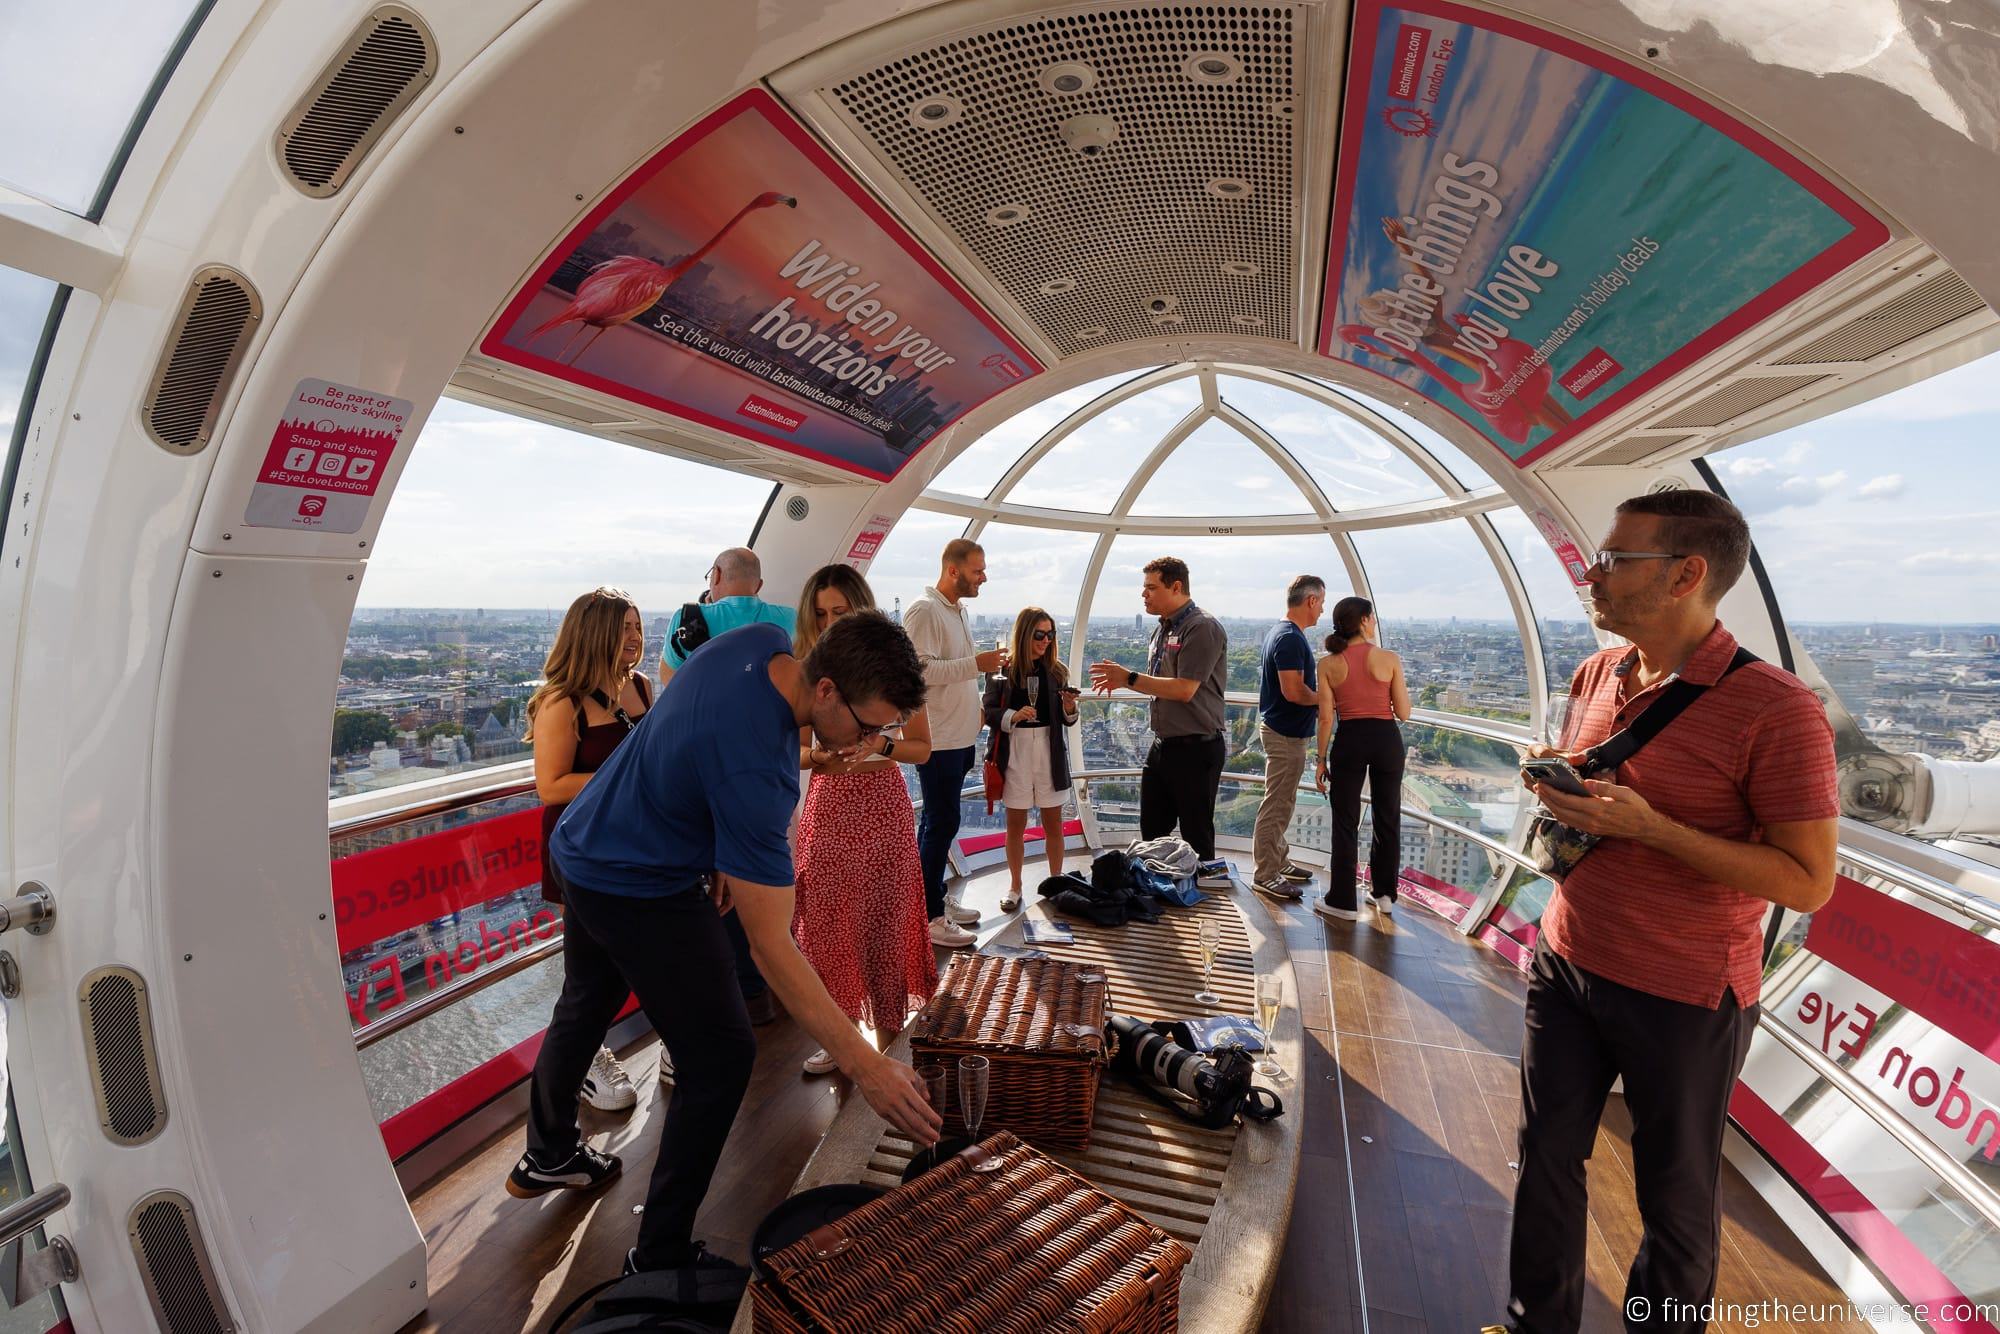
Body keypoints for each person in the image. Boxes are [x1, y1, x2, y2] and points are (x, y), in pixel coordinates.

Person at [1488, 491, 1837, 1334]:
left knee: (1674, 1201)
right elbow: (1597, 776)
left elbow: (1807, 881)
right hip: (1569, 955)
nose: (1592, 573)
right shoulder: (1599, 673)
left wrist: (1653, 829)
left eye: (1614, 559)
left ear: (1686, 574)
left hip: (1683, 988)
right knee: (1545, 1160)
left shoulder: (1777, 710)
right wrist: (1559, 771)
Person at [509, 611, 942, 1280]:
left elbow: (684, 743)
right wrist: (867, 1065)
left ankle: (549, 1152)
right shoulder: (760, 776)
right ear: (825, 689)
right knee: (722, 1056)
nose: (873, 741)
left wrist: (714, 853)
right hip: (635, 882)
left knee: (587, 1003)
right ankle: (655, 1257)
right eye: (867, 725)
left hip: (580, 848)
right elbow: (773, 950)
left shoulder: (755, 644)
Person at [790, 565, 938, 1075]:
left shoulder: (889, 666)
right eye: (822, 613)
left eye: (840, 611)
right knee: (832, 925)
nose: (830, 621)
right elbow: (795, 751)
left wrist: (881, 742)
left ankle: (890, 1033)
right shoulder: (809, 674)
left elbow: (923, 748)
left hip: (881, 809)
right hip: (830, 807)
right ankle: (841, 1034)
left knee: (885, 922)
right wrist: (822, 759)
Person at [524, 588, 661, 1112]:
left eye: (637, 626)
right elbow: (551, 785)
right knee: (588, 981)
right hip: (583, 851)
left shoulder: (641, 688)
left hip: (633, 848)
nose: (634, 637)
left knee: (613, 972)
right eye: (623, 627)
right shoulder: (562, 701)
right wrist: (625, 773)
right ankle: (577, 1077)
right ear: (593, 633)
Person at [904, 539, 1008, 946]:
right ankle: (927, 915)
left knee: (939, 821)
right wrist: (976, 664)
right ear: (953, 571)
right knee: (940, 821)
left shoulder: (955, 611)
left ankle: (932, 899)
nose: (983, 577)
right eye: (977, 570)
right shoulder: (925, 610)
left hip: (958, 734)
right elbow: (919, 670)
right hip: (939, 737)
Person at [1087, 557, 1228, 858]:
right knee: (1151, 830)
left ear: (1176, 587)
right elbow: (1163, 684)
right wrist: (1128, 680)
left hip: (1196, 748)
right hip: (1164, 745)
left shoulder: (1201, 627)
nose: (1144, 595)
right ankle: (1160, 893)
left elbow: (1184, 689)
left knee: (1196, 834)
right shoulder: (1162, 630)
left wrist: (1128, 678)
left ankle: (1202, 899)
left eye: (1151, 588)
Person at [1313, 597, 1410, 921]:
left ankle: (1342, 901)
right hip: (1386, 739)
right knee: (1387, 818)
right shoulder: (1389, 658)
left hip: (1350, 740)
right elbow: (1404, 713)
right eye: (1373, 619)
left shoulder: (1327, 664)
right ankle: (1383, 895)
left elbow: (1326, 718)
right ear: (1365, 621)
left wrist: (1320, 759)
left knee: (1345, 822)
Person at [982, 607, 1081, 914]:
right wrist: (1015, 715)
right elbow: (988, 712)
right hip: (1017, 750)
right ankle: (1015, 886)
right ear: (1024, 634)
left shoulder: (1057, 671)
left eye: (1050, 635)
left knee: (1054, 823)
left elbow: (1067, 721)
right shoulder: (1002, 670)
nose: (1046, 641)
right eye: (1040, 634)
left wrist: (1069, 707)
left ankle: (1055, 882)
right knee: (1016, 824)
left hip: (1048, 750)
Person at [1251, 575, 1325, 901]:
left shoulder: (1282, 633)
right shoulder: (1291, 639)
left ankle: (1278, 861)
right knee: (1277, 805)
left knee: (1283, 802)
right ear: (1310, 601)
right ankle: (1266, 874)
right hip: (1285, 735)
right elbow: (1293, 691)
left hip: (1283, 732)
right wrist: (1325, 698)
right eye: (1321, 602)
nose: (1322, 610)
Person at [658, 546, 793, 686]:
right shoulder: (792, 618)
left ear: (716, 575)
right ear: (759, 586)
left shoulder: (686, 618)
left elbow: (669, 680)